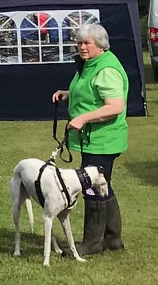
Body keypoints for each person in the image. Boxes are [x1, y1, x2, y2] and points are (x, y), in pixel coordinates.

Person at [53, 22, 130, 255]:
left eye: (87, 43)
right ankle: (112, 239)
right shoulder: (91, 65)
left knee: (90, 187)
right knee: (103, 184)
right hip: (94, 139)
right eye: (79, 43)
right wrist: (68, 94)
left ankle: (92, 242)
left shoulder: (106, 69)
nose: (82, 47)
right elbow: (92, 92)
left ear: (100, 45)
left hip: (102, 140)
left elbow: (115, 106)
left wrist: (83, 118)